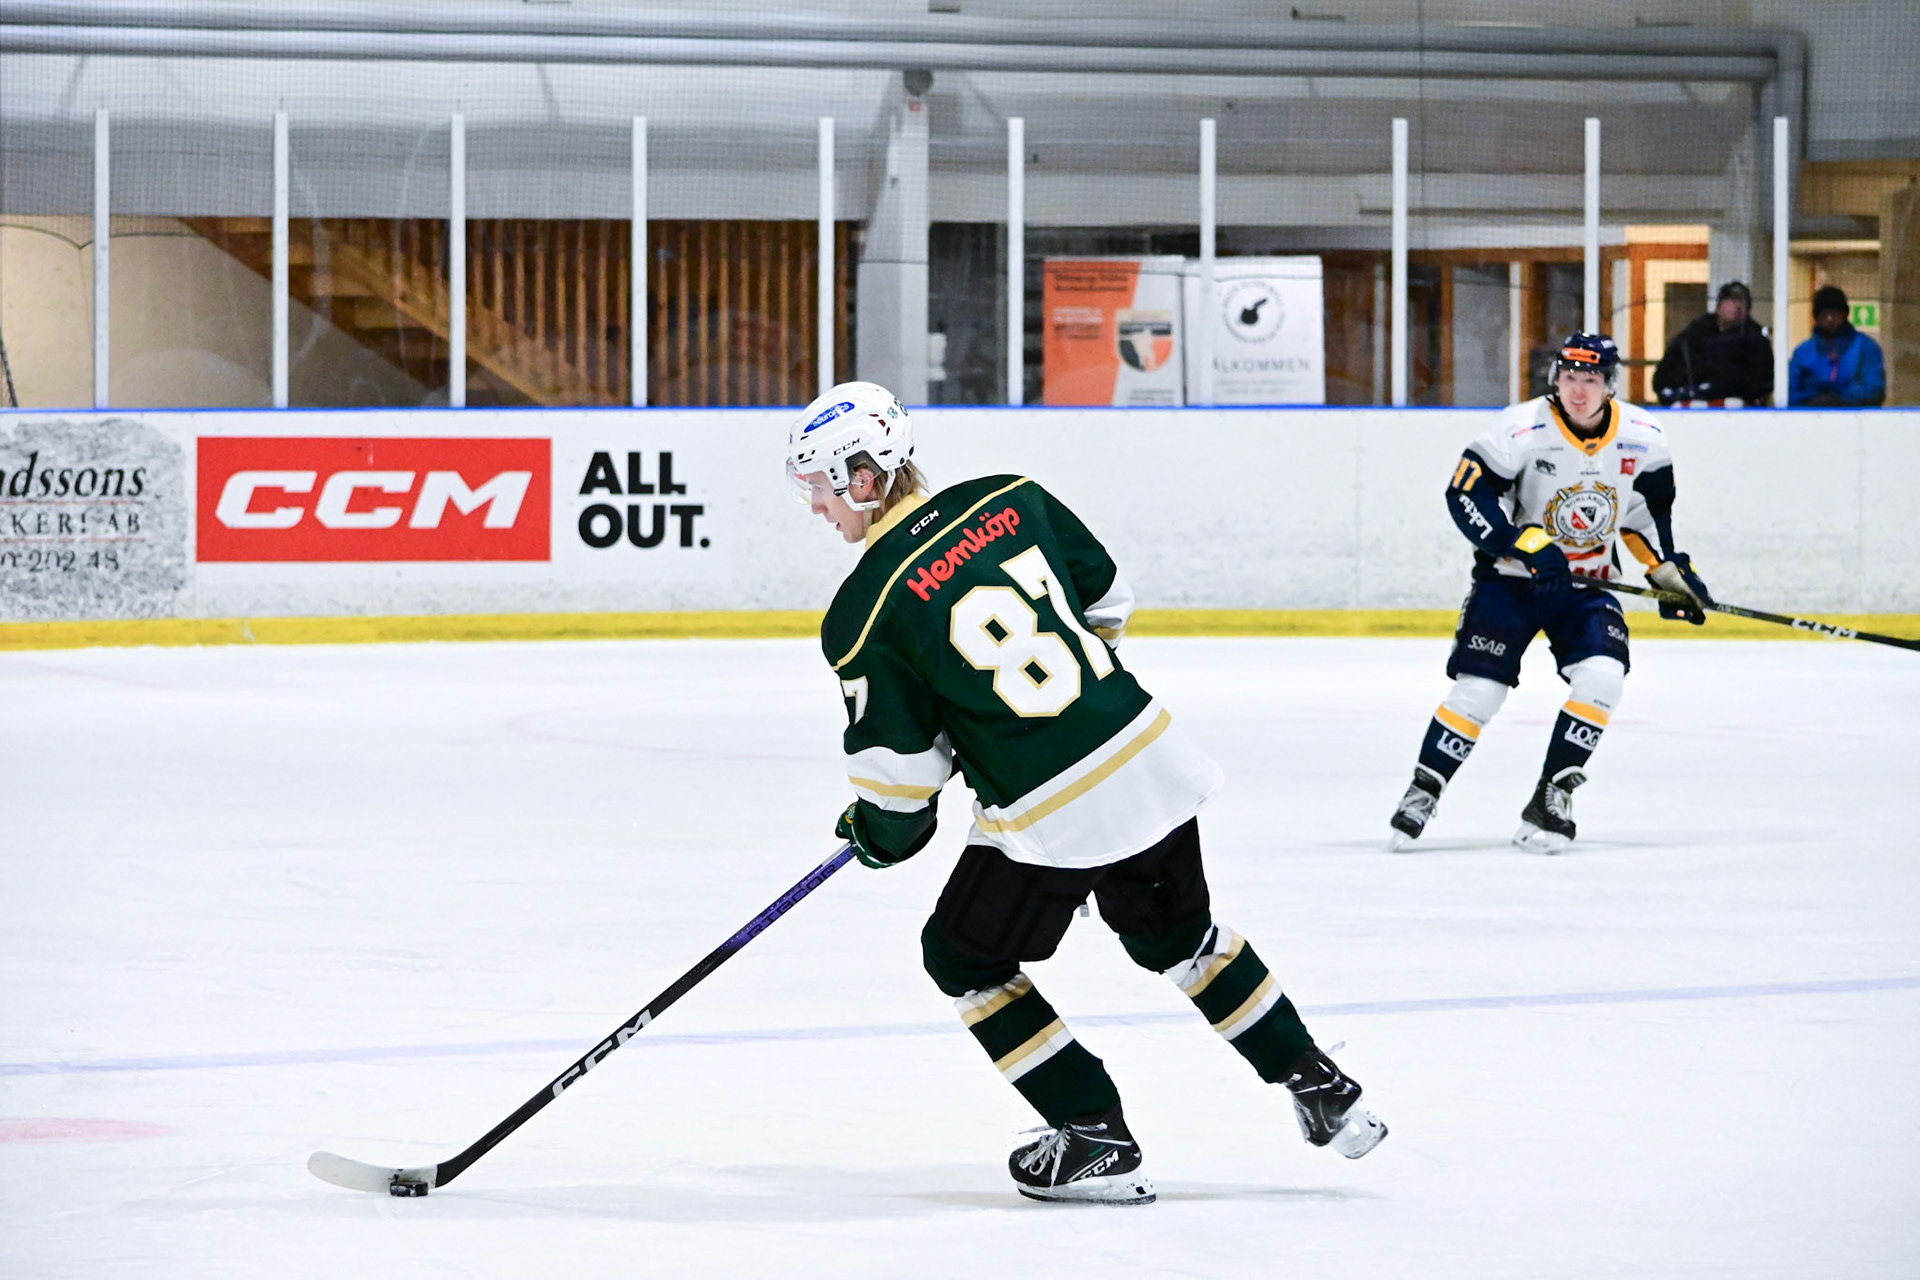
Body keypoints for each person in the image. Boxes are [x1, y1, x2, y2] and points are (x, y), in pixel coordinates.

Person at [787, 380, 1386, 1205]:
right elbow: (1105, 601)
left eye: (819, 488)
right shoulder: (1013, 498)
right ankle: (1317, 1081)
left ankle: (1094, 1132)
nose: (817, 508)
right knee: (1182, 938)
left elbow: (904, 788)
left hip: (1051, 812)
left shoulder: (864, 611)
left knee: (961, 957)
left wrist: (875, 833)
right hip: (1143, 753)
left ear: (863, 478)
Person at [1387, 334, 1712, 854]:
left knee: (1603, 678)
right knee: (1479, 693)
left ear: (1610, 384)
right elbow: (1467, 493)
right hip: (1512, 582)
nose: (1577, 391)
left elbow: (1645, 517)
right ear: (1555, 378)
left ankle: (1552, 795)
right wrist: (1525, 543)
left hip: (1587, 588)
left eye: (1590, 380)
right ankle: (1425, 788)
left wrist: (1668, 573)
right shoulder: (1520, 428)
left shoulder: (1644, 437)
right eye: (1569, 377)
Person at [1652, 281, 1775, 407]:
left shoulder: (1756, 339)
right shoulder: (1694, 333)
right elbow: (1668, 370)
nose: (1738, 306)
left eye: (1743, 303)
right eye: (1732, 301)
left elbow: (1762, 381)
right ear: (1719, 305)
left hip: (1737, 407)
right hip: (1693, 404)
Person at [1789, 285, 1887, 407]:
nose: (1830, 319)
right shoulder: (1803, 353)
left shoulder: (1865, 347)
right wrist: (1813, 403)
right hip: (1810, 416)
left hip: (1856, 415)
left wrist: (1840, 400)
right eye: (1824, 314)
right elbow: (1790, 392)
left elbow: (1875, 389)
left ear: (1845, 315)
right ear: (1816, 317)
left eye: (1835, 313)